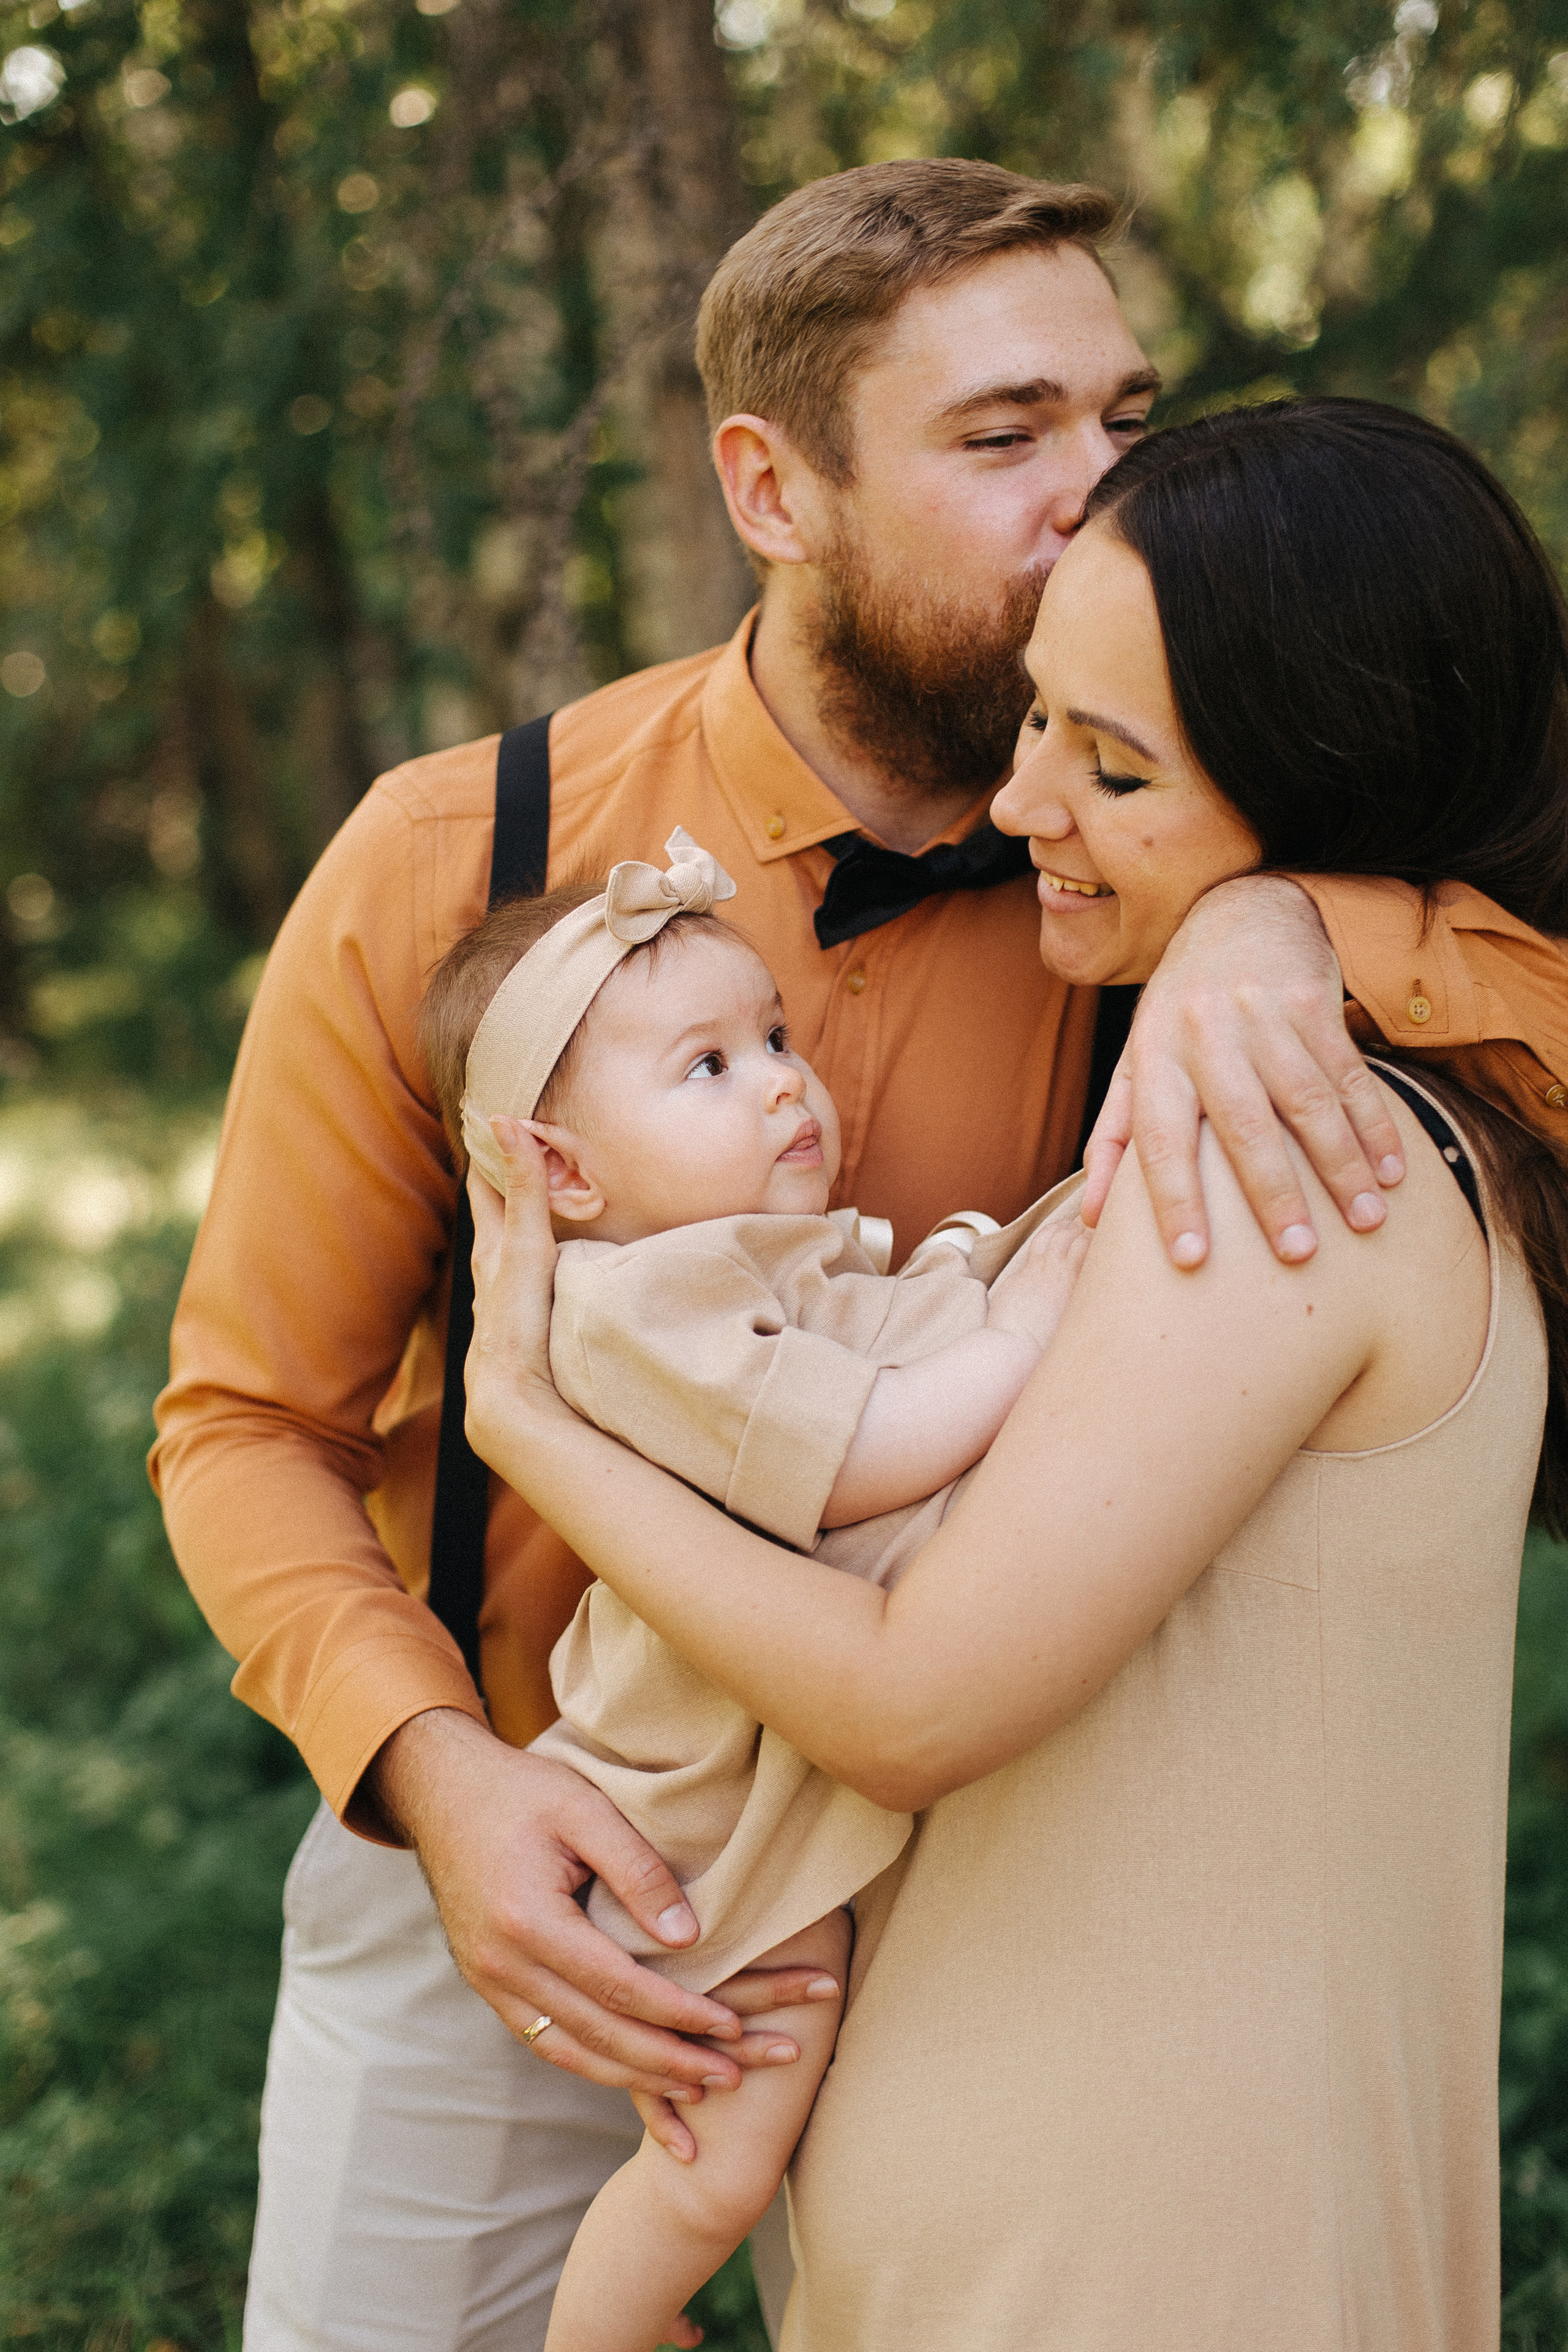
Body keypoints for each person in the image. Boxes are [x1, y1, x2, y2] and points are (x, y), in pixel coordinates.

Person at [149, 159, 1553, 2352]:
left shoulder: (1162, 865)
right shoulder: (457, 856)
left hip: (964, 1882)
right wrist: (442, 1779)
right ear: (772, 488)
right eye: (1005, 439)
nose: (1099, 491)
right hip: (522, 1837)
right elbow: (244, 1422)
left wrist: (1307, 918)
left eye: (1125, 417)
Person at [462, 396, 1568, 2351]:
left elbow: (912, 1706)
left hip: (1142, 2260)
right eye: (1040, 716)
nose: (1018, 801)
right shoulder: (1243, 1082)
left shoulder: (1304, 1147)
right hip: (1015, 2230)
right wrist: (1271, 911)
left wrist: (536, 1430)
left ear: (1322, 783)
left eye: (1114, 764)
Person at [420, 835, 1087, 2351]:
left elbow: (884, 1317)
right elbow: (869, 1446)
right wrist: (1032, 1317)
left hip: (781, 1764)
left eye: (773, 1038)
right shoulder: (637, 1309)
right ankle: (603, 2330)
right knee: (727, 2148)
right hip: (699, 1823)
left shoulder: (729, 1267)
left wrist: (989, 1268)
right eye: (708, 1069)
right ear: (565, 1176)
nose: (784, 1081)